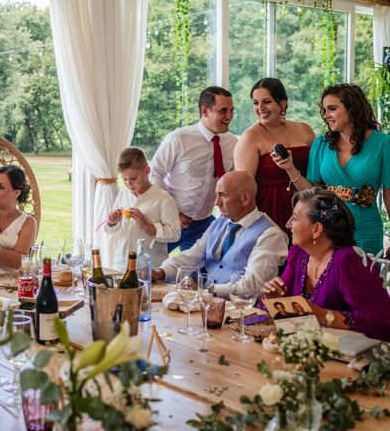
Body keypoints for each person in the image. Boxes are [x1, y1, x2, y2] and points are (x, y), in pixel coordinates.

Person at [271, 83, 390, 255]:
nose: (326, 115)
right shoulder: (321, 144)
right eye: (324, 110)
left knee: (362, 280)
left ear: (352, 108)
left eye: (332, 109)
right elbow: (313, 193)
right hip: (327, 231)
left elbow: (388, 194)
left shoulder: (383, 143)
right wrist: (289, 168)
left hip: (367, 230)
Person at [262, 188, 390, 341]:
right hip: (307, 349)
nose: (288, 224)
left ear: (316, 229)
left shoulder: (349, 261)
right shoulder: (299, 254)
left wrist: (325, 316)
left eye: (295, 218)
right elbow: (290, 314)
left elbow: (382, 323)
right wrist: (275, 299)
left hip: (351, 357)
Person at [152, 171, 288, 299]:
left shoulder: (270, 235)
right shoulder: (218, 223)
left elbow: (253, 285)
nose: (216, 202)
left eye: (222, 195)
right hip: (207, 304)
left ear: (245, 198)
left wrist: (205, 291)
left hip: (242, 311)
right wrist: (160, 272)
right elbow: (192, 256)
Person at [151, 86, 237, 252]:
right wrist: (174, 213)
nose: (229, 116)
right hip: (169, 221)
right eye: (223, 111)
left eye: (232, 110)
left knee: (196, 276)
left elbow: (231, 182)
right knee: (152, 269)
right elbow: (155, 175)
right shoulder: (178, 139)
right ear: (205, 111)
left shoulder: (232, 143)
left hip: (204, 224)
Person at [234, 78, 315, 240]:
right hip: (269, 210)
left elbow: (318, 173)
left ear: (283, 103)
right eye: (256, 103)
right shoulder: (250, 137)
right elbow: (244, 188)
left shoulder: (304, 129)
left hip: (305, 205)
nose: (260, 108)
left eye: (267, 102)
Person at [103, 147, 180, 271]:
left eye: (133, 178)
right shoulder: (122, 195)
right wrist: (113, 223)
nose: (129, 184)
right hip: (121, 265)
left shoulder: (164, 199)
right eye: (124, 179)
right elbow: (113, 232)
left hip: (150, 268)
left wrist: (147, 226)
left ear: (147, 170)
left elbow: (175, 234)